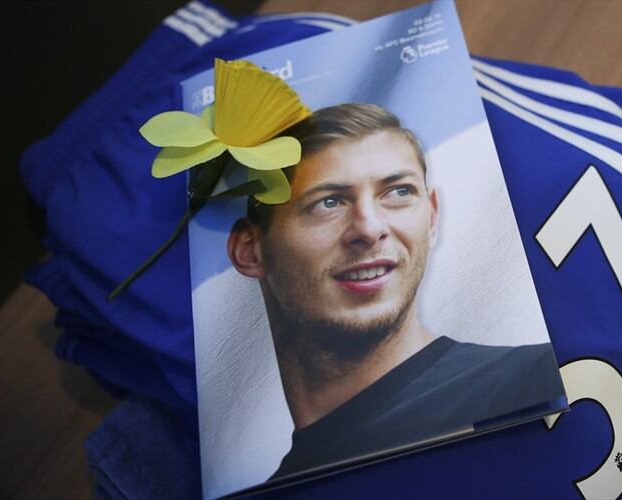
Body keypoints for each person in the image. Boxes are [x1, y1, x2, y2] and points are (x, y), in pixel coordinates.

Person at [227, 103, 565, 480]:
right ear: (250, 250)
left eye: (399, 191)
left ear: (432, 215)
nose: (370, 229)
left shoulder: (535, 378)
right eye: (329, 202)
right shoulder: (270, 484)